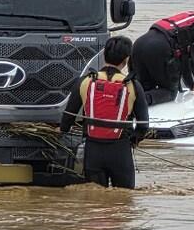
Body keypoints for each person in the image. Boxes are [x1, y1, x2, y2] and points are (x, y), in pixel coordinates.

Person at [61, 35, 150, 189]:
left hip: (93, 151)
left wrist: (63, 131)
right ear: (127, 59)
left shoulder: (85, 82)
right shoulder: (132, 85)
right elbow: (143, 125)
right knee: (123, 202)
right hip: (121, 151)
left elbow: (67, 118)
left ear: (103, 55)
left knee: (95, 203)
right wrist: (133, 140)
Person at [131, 3, 194, 105]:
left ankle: (128, 103)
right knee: (170, 92)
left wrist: (191, 85)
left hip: (138, 44)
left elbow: (185, 61)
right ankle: (136, 102)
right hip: (159, 48)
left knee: (143, 86)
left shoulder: (193, 23)